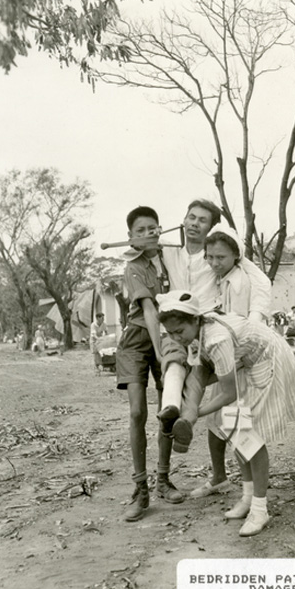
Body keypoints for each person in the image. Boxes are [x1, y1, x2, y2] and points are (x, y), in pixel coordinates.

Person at [157, 290, 295, 537]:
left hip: (268, 358)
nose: (175, 338)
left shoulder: (216, 339)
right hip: (245, 361)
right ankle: (248, 497)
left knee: (250, 436)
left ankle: (260, 509)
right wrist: (188, 410)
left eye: (179, 331)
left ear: (195, 319)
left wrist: (196, 414)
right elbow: (199, 375)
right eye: (170, 333)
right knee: (234, 426)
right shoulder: (194, 336)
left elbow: (228, 394)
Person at [157, 199, 271, 454]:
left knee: (235, 413)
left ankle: (253, 490)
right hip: (194, 338)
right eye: (191, 217)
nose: (214, 262)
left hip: (229, 342)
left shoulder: (231, 265)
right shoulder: (169, 248)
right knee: (215, 409)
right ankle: (183, 423)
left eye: (202, 220)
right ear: (183, 219)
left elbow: (262, 283)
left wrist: (255, 320)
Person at [116, 206, 184, 523]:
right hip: (139, 339)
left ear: (161, 230)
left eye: (153, 228)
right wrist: (159, 352)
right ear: (130, 237)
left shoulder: (172, 260)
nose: (148, 233)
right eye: (140, 230)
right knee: (137, 412)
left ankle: (164, 479)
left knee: (169, 410)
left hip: (169, 337)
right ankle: (141, 489)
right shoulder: (132, 266)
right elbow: (148, 309)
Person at [190, 224, 268, 498]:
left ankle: (251, 496)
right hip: (225, 359)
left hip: (238, 362)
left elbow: (237, 327)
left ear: (236, 256)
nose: (213, 263)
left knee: (240, 426)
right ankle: (225, 480)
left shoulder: (238, 283)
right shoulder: (221, 278)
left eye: (220, 257)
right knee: (222, 423)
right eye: (209, 257)